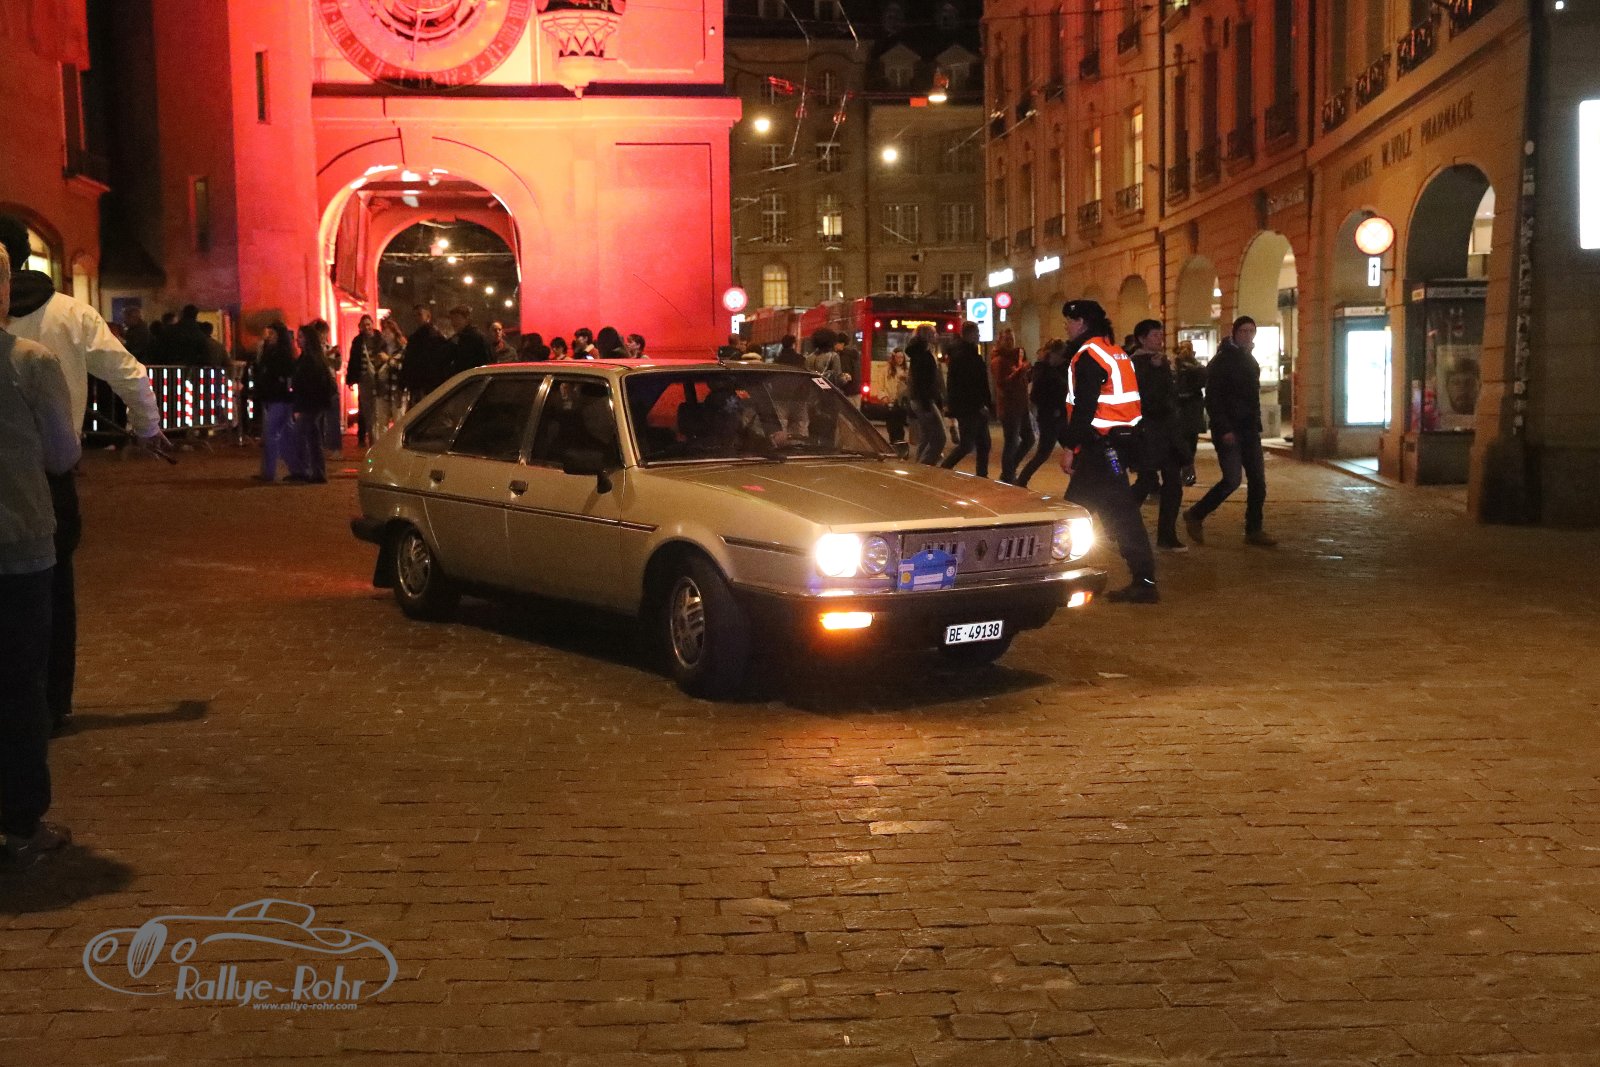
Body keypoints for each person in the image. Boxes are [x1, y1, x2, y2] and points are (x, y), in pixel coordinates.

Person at [2, 216, 170, 735]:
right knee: (53, 592)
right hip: (50, 475)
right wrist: (147, 426)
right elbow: (127, 371)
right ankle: (50, 704)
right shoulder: (70, 313)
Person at [0, 243, 81, 863]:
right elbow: (61, 454)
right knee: (20, 686)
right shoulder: (30, 362)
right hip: (19, 543)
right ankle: (21, 822)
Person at [1055, 299, 1158, 604]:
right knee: (1107, 513)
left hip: (1100, 449)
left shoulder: (1089, 355)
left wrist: (1070, 447)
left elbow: (1085, 408)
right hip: (1116, 445)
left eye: (1070, 321)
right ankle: (1143, 579)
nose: (1066, 326)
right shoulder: (1114, 351)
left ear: (1082, 323)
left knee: (1077, 514)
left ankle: (1054, 573)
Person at [1184, 316, 1276, 547]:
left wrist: (1255, 424)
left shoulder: (1249, 359)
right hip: (1229, 430)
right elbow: (1213, 399)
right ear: (1234, 333)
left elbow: (1252, 398)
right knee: (1232, 480)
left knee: (1258, 481)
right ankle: (1196, 513)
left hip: (1248, 429)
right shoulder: (1222, 361)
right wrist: (1224, 428)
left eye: (1251, 331)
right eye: (1243, 331)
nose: (1248, 335)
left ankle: (1254, 529)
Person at [1127, 320, 1186, 550]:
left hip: (1168, 431)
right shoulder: (1135, 363)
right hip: (1146, 431)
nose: (1159, 339)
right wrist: (1153, 369)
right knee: (1147, 481)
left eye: (1161, 335)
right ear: (1142, 339)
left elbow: (1171, 395)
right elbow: (1144, 396)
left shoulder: (1163, 362)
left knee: (1173, 483)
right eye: (1154, 335)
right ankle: (1119, 520)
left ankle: (1167, 536)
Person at [1015, 338, 1070, 488]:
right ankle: (1021, 481)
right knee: (1043, 453)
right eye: (1061, 355)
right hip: (1050, 418)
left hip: (1060, 416)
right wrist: (1053, 407)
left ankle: (1079, 483)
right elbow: (1036, 396)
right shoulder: (1043, 370)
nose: (1063, 359)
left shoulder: (1059, 368)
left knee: (1071, 450)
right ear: (1054, 354)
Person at [941, 322, 992, 478]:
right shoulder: (964, 356)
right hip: (970, 408)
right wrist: (981, 404)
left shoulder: (966, 354)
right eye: (977, 333)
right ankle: (944, 468)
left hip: (972, 407)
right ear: (970, 335)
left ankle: (982, 476)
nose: (979, 336)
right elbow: (970, 384)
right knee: (967, 444)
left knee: (983, 443)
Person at [254, 321, 301, 481]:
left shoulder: (281, 354)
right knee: (285, 435)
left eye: (272, 333)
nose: (269, 337)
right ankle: (296, 469)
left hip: (279, 397)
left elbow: (283, 376)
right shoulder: (271, 351)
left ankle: (269, 472)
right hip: (276, 397)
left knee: (272, 433)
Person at [292, 323, 335, 483]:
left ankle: (308, 471)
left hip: (311, 404)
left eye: (301, 337)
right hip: (311, 403)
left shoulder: (311, 360)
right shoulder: (307, 357)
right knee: (311, 436)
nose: (298, 340)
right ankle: (314, 471)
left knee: (304, 435)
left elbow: (312, 384)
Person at [990, 328, 1035, 484]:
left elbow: (1023, 380)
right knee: (1011, 442)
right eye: (1007, 339)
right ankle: (1008, 475)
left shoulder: (1016, 357)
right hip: (1009, 407)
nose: (1010, 342)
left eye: (1012, 338)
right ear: (1000, 341)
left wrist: (1027, 372)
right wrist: (1020, 371)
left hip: (1021, 405)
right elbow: (1003, 384)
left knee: (1029, 439)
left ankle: (1009, 470)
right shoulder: (999, 360)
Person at [345, 314, 388, 448]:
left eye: (368, 324)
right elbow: (353, 360)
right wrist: (350, 379)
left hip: (379, 377)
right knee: (365, 408)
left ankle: (376, 438)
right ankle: (367, 436)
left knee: (377, 408)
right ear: (360, 327)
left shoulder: (380, 339)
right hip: (364, 378)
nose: (367, 327)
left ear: (372, 324)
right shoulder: (358, 341)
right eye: (364, 325)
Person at [905, 323, 946, 465]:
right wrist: (928, 404)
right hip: (925, 400)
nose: (936, 336)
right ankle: (925, 466)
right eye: (933, 333)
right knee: (940, 438)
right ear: (927, 336)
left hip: (921, 399)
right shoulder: (922, 354)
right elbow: (923, 382)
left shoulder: (920, 352)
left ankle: (919, 466)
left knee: (927, 436)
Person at [1172, 340, 1206, 485]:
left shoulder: (1192, 366)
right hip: (1186, 408)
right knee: (1187, 443)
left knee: (1186, 442)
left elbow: (1203, 378)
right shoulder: (1180, 366)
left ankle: (1186, 473)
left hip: (1186, 408)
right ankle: (1187, 473)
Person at [402, 305, 449, 405]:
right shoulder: (418, 337)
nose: (416, 318)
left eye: (419, 315)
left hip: (426, 382)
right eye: (414, 315)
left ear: (428, 316)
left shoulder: (433, 336)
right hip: (422, 383)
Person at [446, 305, 492, 378]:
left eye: (457, 318)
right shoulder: (458, 338)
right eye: (452, 319)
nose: (453, 322)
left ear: (466, 319)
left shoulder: (475, 338)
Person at [882, 347, 910, 457]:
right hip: (890, 401)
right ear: (894, 358)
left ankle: (901, 448)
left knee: (900, 426)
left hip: (901, 402)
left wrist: (906, 379)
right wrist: (884, 396)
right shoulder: (886, 370)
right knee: (891, 426)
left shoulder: (907, 371)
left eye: (902, 357)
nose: (900, 359)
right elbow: (881, 385)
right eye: (898, 357)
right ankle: (893, 445)